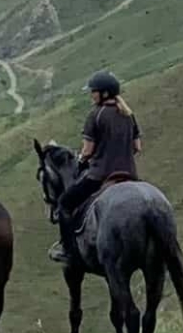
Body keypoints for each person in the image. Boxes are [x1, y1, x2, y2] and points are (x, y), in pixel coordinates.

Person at [47, 70, 142, 266]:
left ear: (104, 94)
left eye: (94, 91)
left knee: (64, 204)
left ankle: (67, 249)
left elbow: (88, 151)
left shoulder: (96, 115)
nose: (91, 95)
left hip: (100, 175)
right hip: (130, 174)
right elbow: (137, 147)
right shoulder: (128, 115)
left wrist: (82, 159)